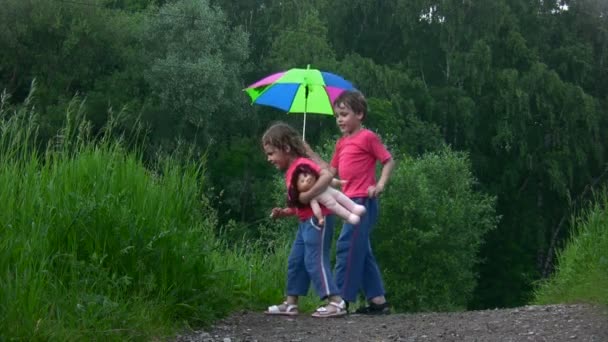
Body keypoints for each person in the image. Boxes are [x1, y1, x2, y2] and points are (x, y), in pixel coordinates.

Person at [307, 90, 395, 314]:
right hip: (347, 201)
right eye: (337, 115)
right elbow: (330, 172)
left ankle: (340, 301)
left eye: (344, 114)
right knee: (361, 251)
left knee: (347, 247)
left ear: (360, 114)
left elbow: (388, 160)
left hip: (363, 202)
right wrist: (308, 152)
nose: (339, 119)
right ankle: (378, 301)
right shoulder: (341, 143)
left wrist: (380, 185)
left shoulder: (368, 137)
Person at [262, 122, 347, 318]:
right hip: (304, 222)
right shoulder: (293, 171)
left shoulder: (302, 167)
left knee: (313, 260)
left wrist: (307, 196)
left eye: (271, 153)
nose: (269, 158)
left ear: (286, 148)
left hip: (318, 220)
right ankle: (291, 303)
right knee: (296, 261)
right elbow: (300, 203)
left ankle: (336, 302)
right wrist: (285, 212)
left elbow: (325, 178)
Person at [288, 163, 366, 226]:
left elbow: (331, 181)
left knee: (342, 197)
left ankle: (354, 207)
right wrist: (320, 218)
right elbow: (316, 209)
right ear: (299, 190)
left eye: (306, 175)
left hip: (335, 193)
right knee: (337, 208)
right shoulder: (311, 196)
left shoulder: (320, 180)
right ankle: (349, 217)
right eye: (302, 181)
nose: (307, 179)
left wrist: (339, 183)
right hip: (331, 204)